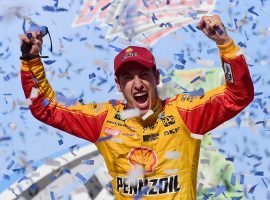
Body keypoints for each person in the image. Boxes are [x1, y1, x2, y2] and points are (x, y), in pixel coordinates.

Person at [20, 15, 254, 200]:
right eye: (128, 78)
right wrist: (30, 61)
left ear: (157, 78)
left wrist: (225, 44)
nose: (138, 84)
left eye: (144, 74)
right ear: (119, 86)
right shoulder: (104, 120)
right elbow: (45, 108)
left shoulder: (185, 113)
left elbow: (239, 95)